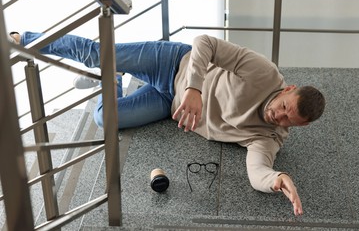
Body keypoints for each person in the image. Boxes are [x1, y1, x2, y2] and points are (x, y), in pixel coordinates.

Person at [10, 31, 325, 216]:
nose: (277, 116)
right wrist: (194, 88)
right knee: (97, 55)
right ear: (287, 90)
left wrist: (275, 179)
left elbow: (257, 170)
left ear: (296, 127)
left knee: (102, 118)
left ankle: (115, 79)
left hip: (168, 105)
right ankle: (24, 39)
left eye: (287, 120)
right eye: (284, 106)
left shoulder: (270, 136)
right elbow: (205, 43)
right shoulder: (264, 73)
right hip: (172, 63)